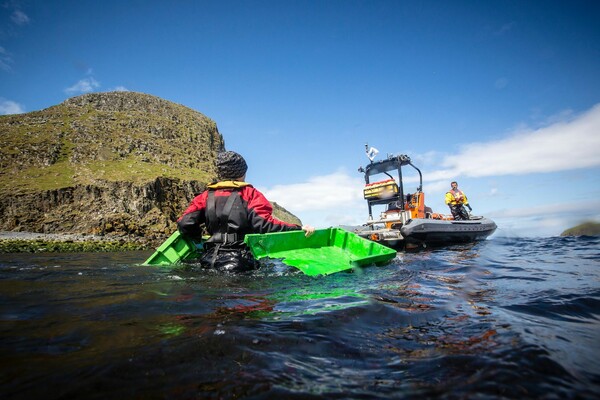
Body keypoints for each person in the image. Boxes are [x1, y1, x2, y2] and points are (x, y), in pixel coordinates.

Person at [177, 150, 315, 272]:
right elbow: (265, 225)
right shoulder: (250, 194)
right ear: (242, 173)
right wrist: (299, 228)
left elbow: (185, 223)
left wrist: (197, 237)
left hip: (208, 261)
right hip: (239, 263)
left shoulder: (205, 196)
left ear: (220, 173)